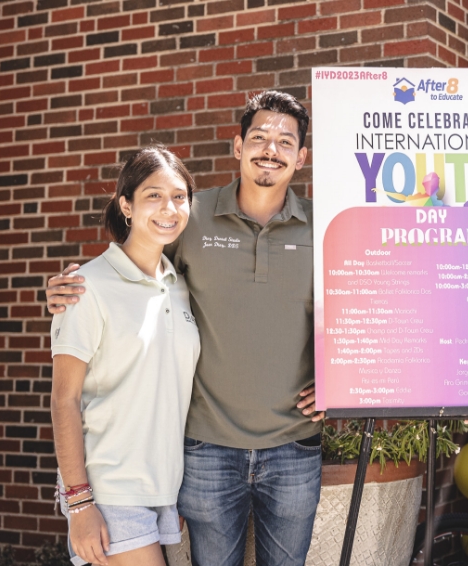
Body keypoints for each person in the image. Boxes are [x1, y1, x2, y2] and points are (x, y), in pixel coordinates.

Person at [47, 91, 324, 566]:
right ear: (237, 147)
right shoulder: (189, 217)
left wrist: (342, 380)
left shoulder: (325, 227)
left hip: (293, 448)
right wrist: (63, 289)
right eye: (258, 136)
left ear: (302, 157)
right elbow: (128, 270)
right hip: (204, 451)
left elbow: (365, 304)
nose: (270, 149)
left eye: (284, 141)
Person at [51, 147, 199, 566]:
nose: (169, 208)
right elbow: (64, 400)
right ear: (126, 205)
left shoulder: (181, 286)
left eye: (179, 196)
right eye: (153, 195)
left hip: (165, 491)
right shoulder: (85, 286)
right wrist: (79, 505)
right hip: (110, 490)